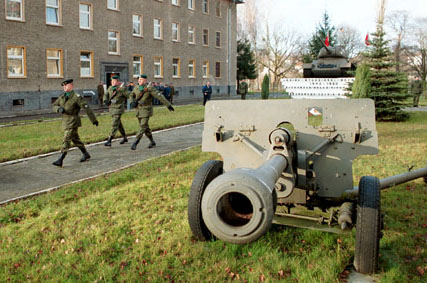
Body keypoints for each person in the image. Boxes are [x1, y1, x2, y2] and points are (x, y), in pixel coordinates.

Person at [52, 79, 99, 167]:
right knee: (75, 139)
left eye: (67, 85)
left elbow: (87, 108)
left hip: (73, 121)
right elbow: (54, 105)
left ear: (71, 86)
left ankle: (61, 159)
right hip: (65, 121)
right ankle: (86, 154)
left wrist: (93, 120)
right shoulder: (62, 96)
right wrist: (58, 109)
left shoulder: (76, 97)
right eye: (64, 86)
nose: (65, 87)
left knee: (67, 138)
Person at [129, 75, 175, 150]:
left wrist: (168, 105)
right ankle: (152, 141)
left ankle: (135, 142)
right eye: (139, 80)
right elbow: (131, 95)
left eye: (141, 80)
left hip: (146, 109)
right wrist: (132, 102)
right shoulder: (136, 87)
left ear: (145, 81)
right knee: (146, 128)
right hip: (139, 110)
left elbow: (159, 96)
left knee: (143, 126)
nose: (139, 81)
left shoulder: (150, 88)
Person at [103, 75, 130, 146]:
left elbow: (129, 95)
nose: (112, 82)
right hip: (112, 109)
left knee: (114, 124)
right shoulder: (110, 88)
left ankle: (109, 139)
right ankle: (124, 137)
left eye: (114, 81)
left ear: (118, 82)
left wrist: (123, 90)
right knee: (118, 124)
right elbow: (105, 95)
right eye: (111, 81)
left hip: (118, 109)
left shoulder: (122, 89)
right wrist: (105, 100)